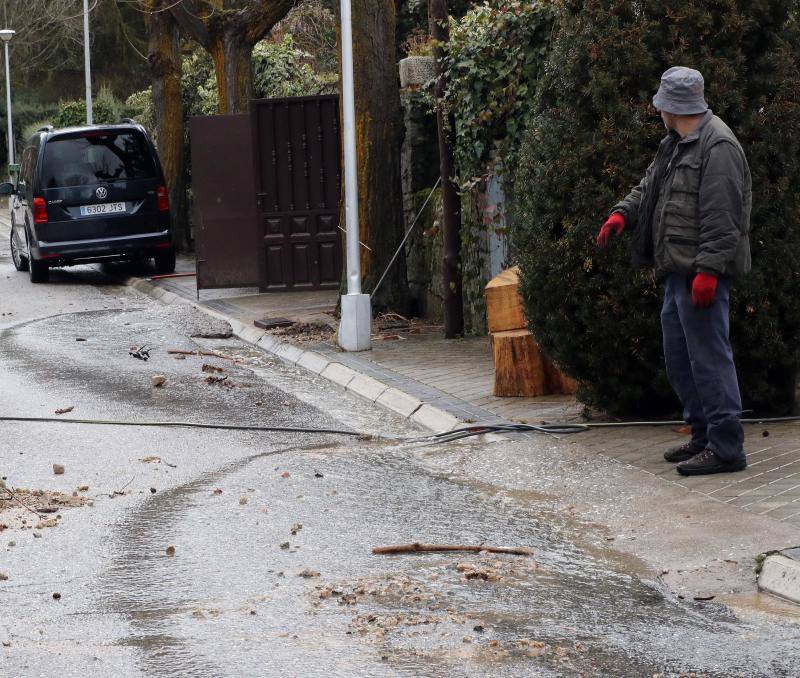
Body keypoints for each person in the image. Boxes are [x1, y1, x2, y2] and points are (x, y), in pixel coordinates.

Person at [597, 66, 751, 476]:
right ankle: (702, 436)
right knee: (681, 359)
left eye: (660, 105)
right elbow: (649, 187)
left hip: (701, 276)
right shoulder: (675, 143)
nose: (657, 111)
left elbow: (724, 218)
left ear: (671, 106)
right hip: (676, 271)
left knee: (709, 358)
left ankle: (726, 446)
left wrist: (708, 271)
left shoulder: (718, 146)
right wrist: (621, 216)